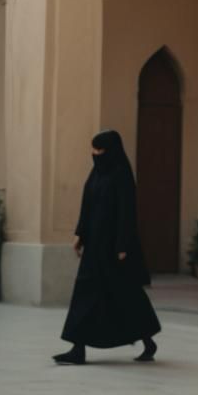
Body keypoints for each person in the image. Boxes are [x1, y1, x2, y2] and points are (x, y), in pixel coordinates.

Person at [53, 130, 161, 365]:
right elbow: (87, 205)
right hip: (94, 246)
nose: (95, 154)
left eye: (99, 150)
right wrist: (79, 234)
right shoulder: (97, 174)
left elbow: (126, 213)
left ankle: (148, 340)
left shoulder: (121, 175)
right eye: (93, 149)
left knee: (126, 295)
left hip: (114, 250)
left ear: (110, 151)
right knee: (85, 293)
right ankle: (77, 348)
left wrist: (123, 245)